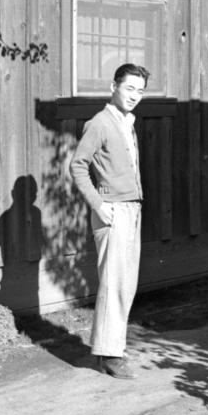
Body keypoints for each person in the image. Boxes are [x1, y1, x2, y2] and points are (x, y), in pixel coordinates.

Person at [69, 63, 149, 379]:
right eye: (129, 88)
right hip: (112, 211)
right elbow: (78, 166)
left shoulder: (127, 123)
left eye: (140, 91)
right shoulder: (100, 123)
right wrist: (99, 206)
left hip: (132, 209)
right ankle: (108, 355)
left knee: (125, 284)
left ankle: (112, 348)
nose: (134, 96)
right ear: (112, 87)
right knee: (115, 284)